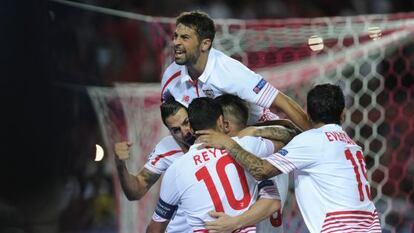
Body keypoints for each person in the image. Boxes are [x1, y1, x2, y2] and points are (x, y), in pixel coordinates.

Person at [196, 84, 381, 233]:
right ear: (343, 114)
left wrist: (228, 143)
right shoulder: (352, 145)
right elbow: (291, 135)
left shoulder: (311, 141)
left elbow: (261, 170)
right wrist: (254, 130)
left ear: (307, 113)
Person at [115, 96, 295, 232]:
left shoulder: (176, 172)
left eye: (186, 123)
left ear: (193, 121)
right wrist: (120, 164)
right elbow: (135, 190)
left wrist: (240, 137)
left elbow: (155, 228)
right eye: (175, 130)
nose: (184, 132)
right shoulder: (245, 147)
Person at [161, 11, 310, 130]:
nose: (176, 42)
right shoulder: (170, 77)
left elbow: (282, 102)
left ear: (205, 44)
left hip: (258, 131)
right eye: (175, 36)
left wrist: (316, 137)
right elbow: (173, 123)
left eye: (184, 38)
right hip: (213, 141)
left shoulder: (230, 72)